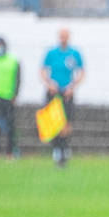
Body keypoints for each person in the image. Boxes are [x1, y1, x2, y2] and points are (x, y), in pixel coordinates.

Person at [41, 28, 84, 167]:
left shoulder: (74, 53)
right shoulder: (52, 53)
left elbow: (81, 72)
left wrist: (73, 86)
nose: (63, 38)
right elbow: (42, 71)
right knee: (53, 121)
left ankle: (64, 149)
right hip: (54, 91)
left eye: (65, 36)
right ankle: (56, 149)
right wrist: (49, 84)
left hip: (67, 92)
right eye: (61, 36)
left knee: (66, 122)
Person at [0, 38, 21, 160]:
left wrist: (15, 94)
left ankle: (10, 152)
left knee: (10, 126)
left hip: (7, 97)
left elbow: (18, 78)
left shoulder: (12, 61)